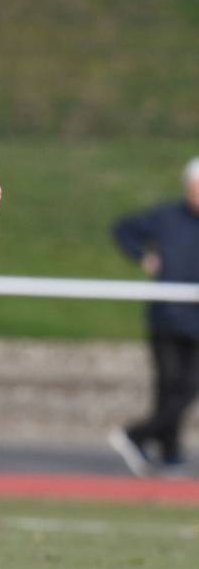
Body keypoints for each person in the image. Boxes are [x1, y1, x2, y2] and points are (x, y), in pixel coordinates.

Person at [109, 158, 199, 477]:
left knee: (187, 387)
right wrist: (143, 256)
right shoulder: (166, 218)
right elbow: (123, 229)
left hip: (197, 320)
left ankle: (140, 437)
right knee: (168, 386)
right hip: (167, 315)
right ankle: (167, 451)